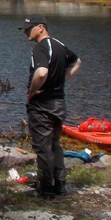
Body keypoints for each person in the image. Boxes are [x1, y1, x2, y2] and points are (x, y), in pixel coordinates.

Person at [20, 14, 82, 198]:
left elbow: (41, 73)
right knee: (55, 145)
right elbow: (77, 62)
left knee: (43, 147)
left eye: (28, 28)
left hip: (42, 104)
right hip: (59, 102)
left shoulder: (40, 48)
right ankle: (60, 185)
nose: (25, 32)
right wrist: (61, 81)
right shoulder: (60, 45)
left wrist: (32, 92)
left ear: (41, 27)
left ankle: (46, 188)